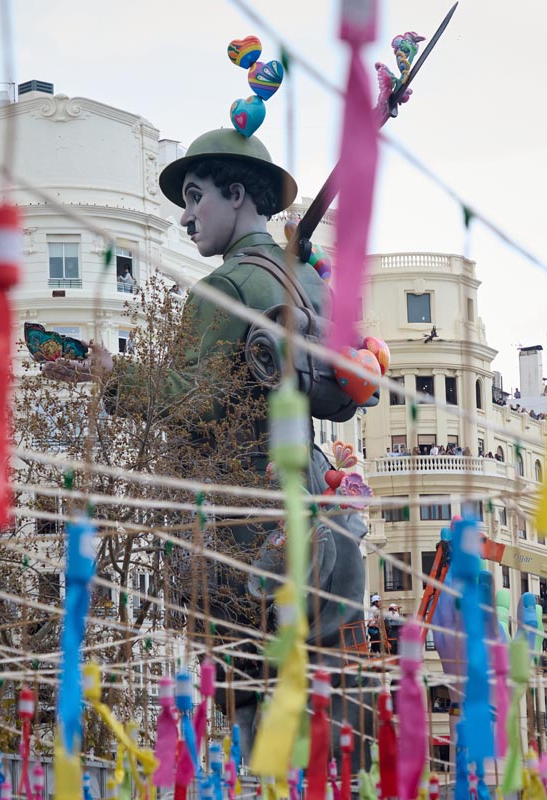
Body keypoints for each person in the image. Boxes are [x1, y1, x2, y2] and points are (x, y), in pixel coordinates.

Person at [44, 127, 372, 756]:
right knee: (330, 719)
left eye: (196, 198)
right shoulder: (306, 279)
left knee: (255, 717)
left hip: (242, 531)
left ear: (239, 194)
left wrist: (107, 371)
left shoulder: (225, 289)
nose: (187, 217)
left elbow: (189, 402)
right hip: (317, 512)